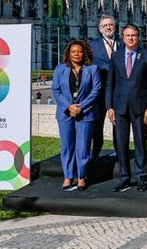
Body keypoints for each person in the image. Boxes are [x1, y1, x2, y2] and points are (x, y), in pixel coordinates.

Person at [106, 24, 147, 192]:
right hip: (119, 107)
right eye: (128, 35)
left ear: (138, 36)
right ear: (123, 37)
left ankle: (141, 177)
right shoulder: (116, 56)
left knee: (140, 143)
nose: (131, 38)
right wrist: (109, 107)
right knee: (121, 144)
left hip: (140, 107)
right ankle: (124, 178)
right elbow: (110, 83)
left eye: (134, 35)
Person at [51, 39, 101, 191]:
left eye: (79, 51)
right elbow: (56, 90)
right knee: (67, 146)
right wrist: (68, 107)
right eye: (73, 51)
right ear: (68, 54)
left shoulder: (92, 69)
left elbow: (96, 90)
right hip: (65, 114)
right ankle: (68, 176)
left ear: (84, 52)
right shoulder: (60, 69)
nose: (76, 54)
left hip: (85, 114)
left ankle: (81, 176)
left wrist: (81, 107)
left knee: (83, 146)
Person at [88, 15, 123, 162]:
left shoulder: (123, 43)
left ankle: (120, 152)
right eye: (105, 26)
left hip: (119, 91)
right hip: (100, 92)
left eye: (111, 25)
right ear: (100, 29)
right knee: (98, 125)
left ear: (115, 27)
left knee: (119, 125)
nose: (108, 27)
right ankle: (95, 154)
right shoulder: (92, 45)